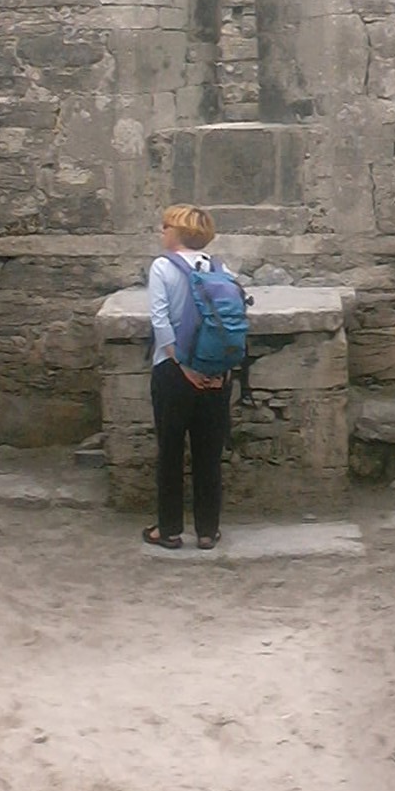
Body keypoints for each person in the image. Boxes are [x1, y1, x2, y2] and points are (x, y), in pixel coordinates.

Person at [143, 204, 231, 551]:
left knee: (171, 452)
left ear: (176, 232)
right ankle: (208, 530)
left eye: (164, 226)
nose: (161, 231)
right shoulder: (220, 269)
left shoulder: (162, 267)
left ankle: (169, 530)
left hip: (173, 372)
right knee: (209, 454)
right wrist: (214, 371)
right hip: (215, 373)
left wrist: (182, 367)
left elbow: (160, 321)